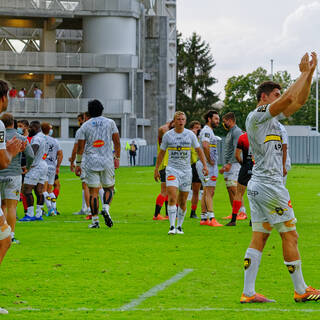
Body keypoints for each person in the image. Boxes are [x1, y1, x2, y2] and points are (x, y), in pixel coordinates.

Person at [240, 52, 320, 304]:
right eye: (274, 94)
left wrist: (309, 75)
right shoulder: (257, 115)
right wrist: (303, 72)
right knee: (290, 234)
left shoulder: (274, 121)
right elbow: (287, 99)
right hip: (270, 186)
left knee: (260, 236)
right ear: (263, 98)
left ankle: (248, 293)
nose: (280, 97)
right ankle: (301, 290)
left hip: (262, 186)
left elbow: (298, 101)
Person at [154, 111, 208, 235]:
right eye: (178, 119)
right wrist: (156, 169)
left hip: (186, 171)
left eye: (183, 119)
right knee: (172, 196)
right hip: (172, 170)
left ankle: (179, 226)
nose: (181, 121)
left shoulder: (190, 135)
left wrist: (204, 166)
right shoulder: (168, 135)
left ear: (185, 121)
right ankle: (172, 226)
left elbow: (199, 150)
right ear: (174, 121)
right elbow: (161, 153)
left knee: (183, 201)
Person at [75, 100, 121, 229]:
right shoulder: (110, 123)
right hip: (107, 159)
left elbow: (80, 147)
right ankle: (106, 207)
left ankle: (95, 221)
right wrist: (117, 157)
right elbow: (117, 142)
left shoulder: (85, 125)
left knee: (93, 191)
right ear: (102, 109)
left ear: (89, 112)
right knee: (109, 188)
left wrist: (78, 163)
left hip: (91, 161)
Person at [0, 80, 23, 315]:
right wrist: (11, 151)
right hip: (13, 176)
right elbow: (2, 162)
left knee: (4, 236)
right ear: (3, 98)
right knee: (5, 238)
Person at [0, 113, 34, 243]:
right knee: (12, 206)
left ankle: (1, 233)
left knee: (1, 205)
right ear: (13, 123)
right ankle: (11, 235)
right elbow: (30, 154)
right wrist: (27, 166)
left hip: (0, 173)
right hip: (14, 175)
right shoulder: (20, 137)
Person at [196, 110, 223, 227]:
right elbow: (205, 145)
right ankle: (211, 218)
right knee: (209, 191)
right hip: (207, 165)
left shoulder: (209, 131)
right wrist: (209, 160)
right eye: (216, 119)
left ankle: (203, 217)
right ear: (209, 119)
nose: (218, 121)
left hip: (206, 165)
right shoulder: (207, 131)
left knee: (207, 191)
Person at [219, 112, 247, 220]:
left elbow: (237, 149)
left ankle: (242, 212)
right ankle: (234, 212)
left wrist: (230, 163)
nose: (223, 124)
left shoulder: (236, 131)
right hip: (228, 165)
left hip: (234, 164)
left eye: (224, 121)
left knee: (235, 189)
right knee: (229, 189)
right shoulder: (230, 132)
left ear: (230, 121)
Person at [20, 121, 48, 221]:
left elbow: (32, 153)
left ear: (35, 128)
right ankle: (38, 214)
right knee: (39, 191)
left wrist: (27, 165)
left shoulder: (37, 138)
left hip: (35, 166)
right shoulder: (44, 137)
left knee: (26, 190)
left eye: (30, 128)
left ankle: (30, 214)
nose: (28, 130)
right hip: (43, 164)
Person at [226, 132, 254, 226]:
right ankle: (253, 220)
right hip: (258, 168)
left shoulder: (242, 137)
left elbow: (237, 155)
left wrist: (244, 165)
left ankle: (233, 220)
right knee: (255, 194)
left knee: (239, 193)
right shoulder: (261, 135)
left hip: (246, 167)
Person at [70, 112, 91, 218]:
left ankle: (88, 208)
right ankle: (104, 207)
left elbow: (77, 147)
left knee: (85, 184)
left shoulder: (82, 130)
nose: (79, 122)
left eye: (79, 119)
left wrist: (73, 161)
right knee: (96, 184)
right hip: (95, 159)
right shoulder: (94, 129)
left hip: (84, 159)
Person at [152, 120, 174, 221]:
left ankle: (167, 214)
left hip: (170, 165)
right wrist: (169, 124)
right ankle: (156, 215)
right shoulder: (164, 133)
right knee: (164, 191)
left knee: (170, 191)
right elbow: (161, 129)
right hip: (164, 165)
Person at [41, 122, 63, 215]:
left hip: (44, 166)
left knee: (44, 190)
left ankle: (49, 209)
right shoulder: (55, 141)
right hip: (52, 167)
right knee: (50, 190)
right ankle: (54, 208)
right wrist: (58, 166)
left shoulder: (41, 139)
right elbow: (60, 154)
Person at [189, 120, 202, 219]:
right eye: (196, 128)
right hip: (185, 165)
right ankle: (176, 211)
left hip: (195, 165)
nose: (198, 130)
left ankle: (193, 211)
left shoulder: (200, 139)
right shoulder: (187, 136)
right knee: (181, 190)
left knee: (196, 190)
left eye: (199, 128)